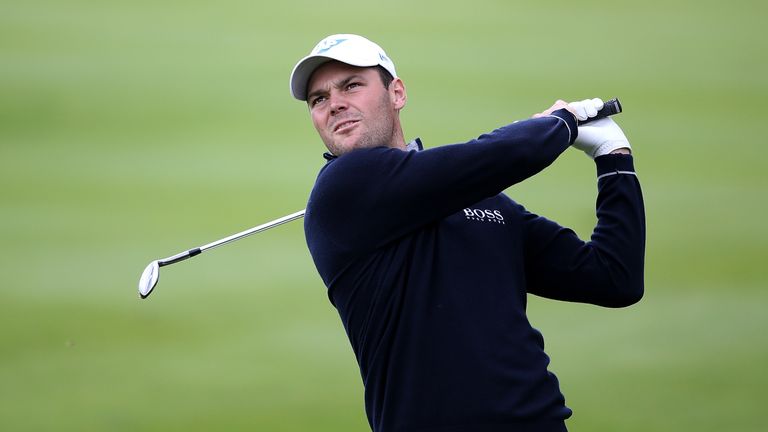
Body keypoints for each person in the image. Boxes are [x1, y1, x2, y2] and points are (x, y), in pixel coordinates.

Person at [289, 34, 645, 432]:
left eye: (352, 85)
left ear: (397, 92)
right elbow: (506, 154)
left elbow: (614, 278)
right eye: (319, 99)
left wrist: (614, 159)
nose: (334, 103)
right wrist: (559, 124)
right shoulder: (343, 188)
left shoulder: (485, 203)